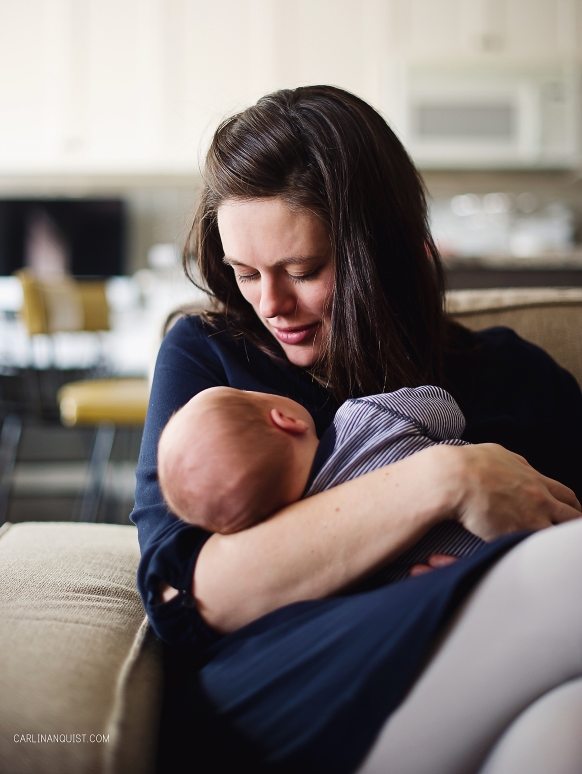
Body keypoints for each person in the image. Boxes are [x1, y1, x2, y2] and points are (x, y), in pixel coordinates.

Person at [133, 86, 582, 774]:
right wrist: (446, 477)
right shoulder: (211, 359)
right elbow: (193, 596)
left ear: (385, 250)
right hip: (285, 679)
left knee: (566, 725)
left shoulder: (514, 376)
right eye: (244, 272)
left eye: (303, 270)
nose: (271, 305)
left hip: (474, 662)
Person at [157, 384, 483, 580]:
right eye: (248, 394)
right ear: (285, 420)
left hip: (468, 582)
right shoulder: (365, 417)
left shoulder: (317, 559)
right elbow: (445, 409)